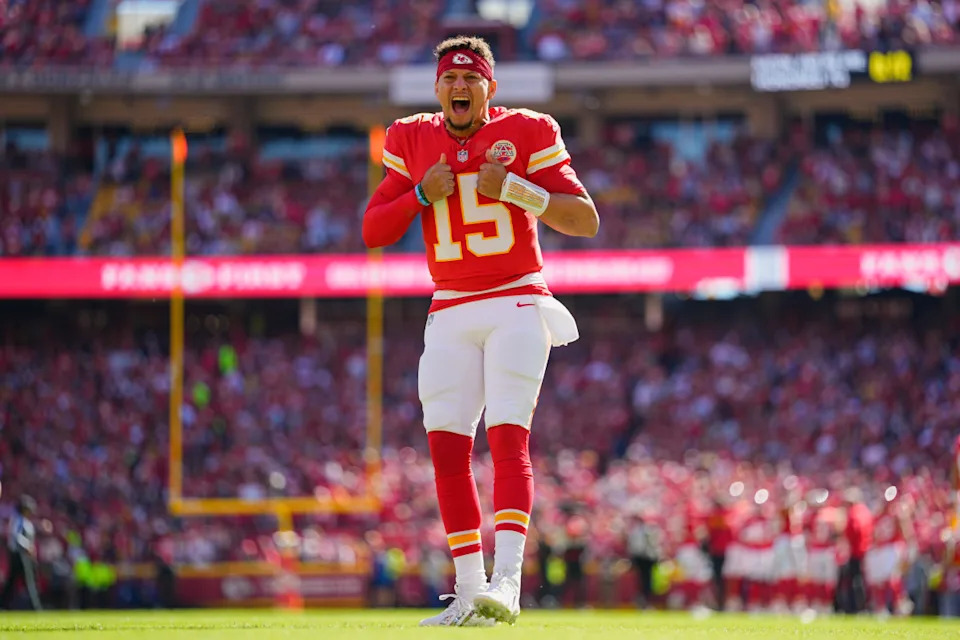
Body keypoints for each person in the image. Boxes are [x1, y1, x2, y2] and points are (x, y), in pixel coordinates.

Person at [362, 35, 599, 626]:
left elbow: (584, 219)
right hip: (449, 306)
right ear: (437, 87)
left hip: (517, 297)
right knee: (446, 449)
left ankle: (508, 581)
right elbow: (373, 229)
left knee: (507, 438)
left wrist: (516, 188)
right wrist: (421, 193)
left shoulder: (528, 130)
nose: (460, 87)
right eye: (450, 78)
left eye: (471, 78)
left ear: (490, 87)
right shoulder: (410, 137)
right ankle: (468, 592)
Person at [1, 494, 42, 610]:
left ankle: (3, 604)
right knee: (28, 581)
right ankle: (36, 607)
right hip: (19, 555)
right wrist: (28, 546)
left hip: (23, 555)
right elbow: (16, 536)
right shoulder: (18, 520)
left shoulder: (26, 522)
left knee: (12, 582)